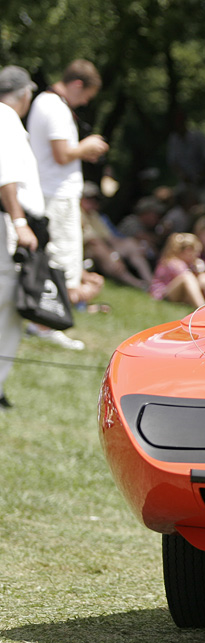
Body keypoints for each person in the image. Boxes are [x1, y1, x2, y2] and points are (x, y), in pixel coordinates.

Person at [26, 59, 108, 346]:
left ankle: (43, 321)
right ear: (76, 85)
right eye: (86, 96)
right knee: (58, 259)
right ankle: (46, 325)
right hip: (56, 196)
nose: (85, 102)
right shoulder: (54, 106)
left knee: (57, 259)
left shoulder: (45, 104)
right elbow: (61, 154)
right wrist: (87, 147)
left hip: (54, 193)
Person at [0, 66, 43, 408]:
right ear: (24, 94)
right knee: (7, 306)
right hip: (8, 221)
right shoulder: (6, 117)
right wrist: (19, 221)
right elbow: (6, 175)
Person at [81, 181, 151, 290]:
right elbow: (92, 240)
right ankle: (137, 284)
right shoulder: (77, 213)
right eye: (89, 198)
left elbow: (110, 238)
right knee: (99, 248)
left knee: (130, 244)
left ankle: (150, 281)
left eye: (95, 199)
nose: (93, 202)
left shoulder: (94, 215)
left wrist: (117, 251)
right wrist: (113, 255)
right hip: (85, 250)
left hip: (103, 247)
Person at [149, 232, 205, 309]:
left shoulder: (183, 263)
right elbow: (188, 280)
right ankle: (202, 308)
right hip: (162, 296)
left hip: (173, 295)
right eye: (196, 252)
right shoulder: (175, 263)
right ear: (188, 251)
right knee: (187, 277)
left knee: (204, 277)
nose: (197, 256)